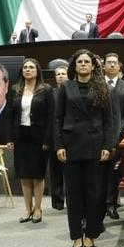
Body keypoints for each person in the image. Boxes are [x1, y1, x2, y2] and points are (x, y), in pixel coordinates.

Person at [55, 49, 114, 247]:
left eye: (86, 61)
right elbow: (57, 119)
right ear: (74, 65)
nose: (83, 64)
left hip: (95, 146)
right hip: (71, 146)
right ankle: (76, 236)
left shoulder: (102, 87)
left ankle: (90, 234)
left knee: (94, 194)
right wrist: (59, 145)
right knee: (73, 194)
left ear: (93, 65)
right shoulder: (65, 88)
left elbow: (109, 120)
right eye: (79, 61)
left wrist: (108, 146)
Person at [7, 58, 54, 224]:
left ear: (37, 71)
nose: (28, 70)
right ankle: (28, 208)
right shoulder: (15, 89)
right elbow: (10, 115)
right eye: (25, 67)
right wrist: (10, 138)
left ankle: (38, 208)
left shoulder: (46, 90)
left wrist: (48, 138)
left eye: (31, 67)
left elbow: (51, 116)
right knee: (24, 174)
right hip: (21, 136)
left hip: (39, 138)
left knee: (37, 175)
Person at [103, 53, 124, 220]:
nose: (112, 66)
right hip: (98, 136)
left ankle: (111, 204)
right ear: (103, 66)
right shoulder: (97, 85)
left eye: (115, 63)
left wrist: (118, 131)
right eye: (109, 63)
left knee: (113, 172)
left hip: (118, 137)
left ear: (119, 66)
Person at [50, 65, 68, 210]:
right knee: (56, 171)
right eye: (58, 74)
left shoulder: (72, 92)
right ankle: (57, 202)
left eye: (63, 73)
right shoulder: (51, 93)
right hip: (54, 136)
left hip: (71, 136)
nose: (61, 76)